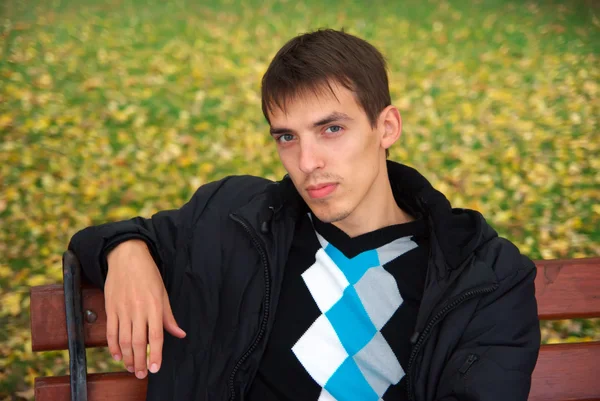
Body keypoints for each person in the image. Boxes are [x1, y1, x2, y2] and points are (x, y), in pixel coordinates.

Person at [68, 29, 541, 401]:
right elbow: (101, 240)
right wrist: (126, 252)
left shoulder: (483, 277)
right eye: (287, 137)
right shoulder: (237, 220)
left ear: (386, 127)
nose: (307, 162)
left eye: (331, 128)